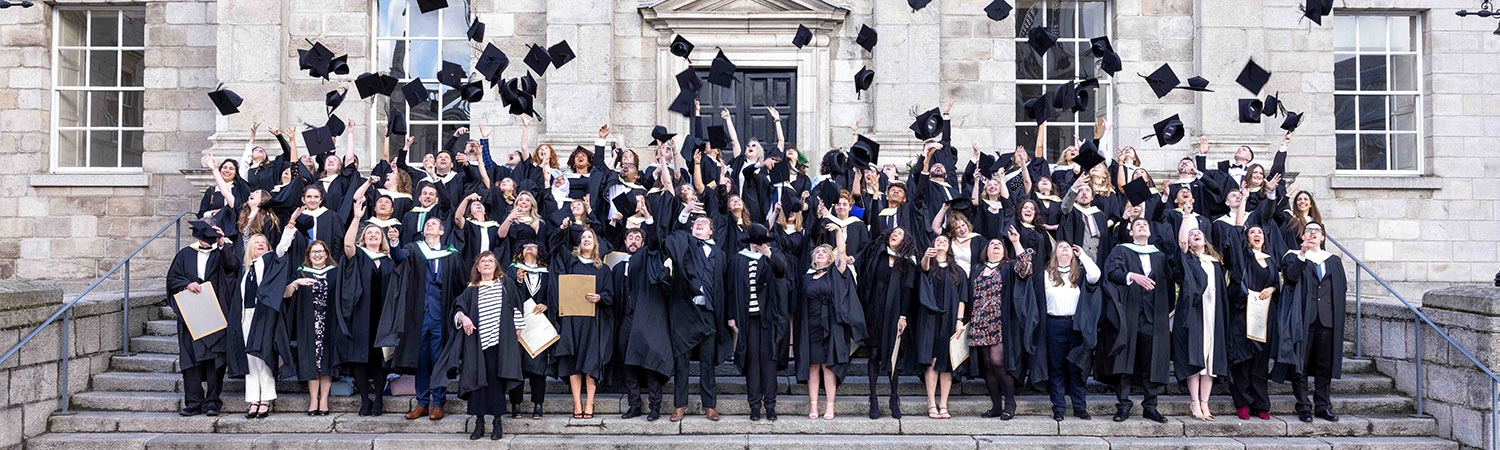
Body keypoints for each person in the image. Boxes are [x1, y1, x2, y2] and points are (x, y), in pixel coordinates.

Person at [434, 252, 526, 441]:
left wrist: (517, 328)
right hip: (476, 343)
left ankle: (497, 422)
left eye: (490, 261)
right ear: (477, 267)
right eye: (482, 261)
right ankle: (479, 422)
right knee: (476, 383)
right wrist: (464, 317)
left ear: (496, 266)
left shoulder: (505, 284)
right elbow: (457, 310)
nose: (486, 264)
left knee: (496, 382)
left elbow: (516, 306)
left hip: (499, 343)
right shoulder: (471, 290)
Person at [1101, 217, 1179, 423]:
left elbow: (1172, 280)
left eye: (1145, 224)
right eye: (1137, 225)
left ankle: (1150, 406)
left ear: (1151, 232)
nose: (1142, 226)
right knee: (1125, 359)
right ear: (1131, 232)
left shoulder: (1160, 255)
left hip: (1154, 315)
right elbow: (1112, 272)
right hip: (1129, 312)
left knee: (1151, 361)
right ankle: (1124, 405)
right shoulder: (1121, 250)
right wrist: (1132, 276)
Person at [390, 218, 464, 421]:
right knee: (420, 360)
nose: (429, 226)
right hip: (419, 316)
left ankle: (439, 403)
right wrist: (394, 242)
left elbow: (460, 285)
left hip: (441, 316)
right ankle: (422, 403)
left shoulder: (452, 254)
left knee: (439, 360)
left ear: (442, 231)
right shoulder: (414, 249)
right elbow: (398, 257)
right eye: (426, 224)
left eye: (433, 224)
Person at [165, 219, 240, 417]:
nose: (207, 243)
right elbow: (172, 279)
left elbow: (232, 267)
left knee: (216, 359)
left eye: (211, 239)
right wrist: (187, 283)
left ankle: (213, 402)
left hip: (216, 312)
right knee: (191, 360)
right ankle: (193, 402)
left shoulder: (221, 252)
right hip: (192, 315)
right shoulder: (184, 255)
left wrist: (223, 243)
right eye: (204, 238)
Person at [1275, 222, 1346, 423]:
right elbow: (1290, 278)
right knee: (1301, 363)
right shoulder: (1293, 256)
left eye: (1317, 231)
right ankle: (1304, 406)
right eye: (1308, 230)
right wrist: (1303, 254)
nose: (1313, 233)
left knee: (1325, 364)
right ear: (1302, 236)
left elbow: (1341, 288)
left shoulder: (1333, 261)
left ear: (1323, 237)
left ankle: (1323, 405)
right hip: (1303, 318)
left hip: (1327, 319)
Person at [663, 215, 731, 422]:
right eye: (696, 223)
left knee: (707, 361)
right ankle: (680, 404)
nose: (699, 225)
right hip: (684, 311)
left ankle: (709, 405)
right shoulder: (682, 245)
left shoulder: (719, 254)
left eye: (704, 223)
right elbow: (671, 240)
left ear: (712, 231)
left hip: (708, 312)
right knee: (681, 361)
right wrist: (684, 218)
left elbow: (723, 287)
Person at [967, 230, 1034, 420]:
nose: (995, 245)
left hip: (999, 321)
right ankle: (996, 406)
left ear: (1004, 250)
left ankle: (1010, 403)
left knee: (998, 362)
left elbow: (1026, 268)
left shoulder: (1009, 266)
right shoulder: (977, 269)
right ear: (985, 250)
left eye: (999, 244)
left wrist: (1016, 242)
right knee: (987, 365)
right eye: (991, 244)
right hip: (979, 322)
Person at [795, 237, 864, 420]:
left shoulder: (835, 273)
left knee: (828, 367)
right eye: (817, 251)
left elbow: (841, 251)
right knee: (812, 366)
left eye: (824, 252)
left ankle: (830, 406)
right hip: (811, 325)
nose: (820, 253)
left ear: (829, 258)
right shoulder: (806, 278)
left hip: (831, 326)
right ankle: (814, 406)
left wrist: (839, 231)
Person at [855, 227, 920, 420]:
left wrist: (903, 316)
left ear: (905, 240)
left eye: (900, 233)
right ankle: (873, 398)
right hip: (875, 309)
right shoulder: (879, 254)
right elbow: (866, 278)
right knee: (874, 353)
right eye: (894, 232)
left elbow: (908, 290)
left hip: (895, 311)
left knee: (893, 355)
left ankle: (894, 397)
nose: (895, 234)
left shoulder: (908, 262)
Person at [551, 227, 616, 419]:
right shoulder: (570, 263)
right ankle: (577, 403)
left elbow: (610, 296)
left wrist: (599, 297)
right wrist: (563, 228)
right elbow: (555, 246)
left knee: (590, 361)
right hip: (571, 320)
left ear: (596, 243)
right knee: (573, 362)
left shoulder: (602, 269)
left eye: (590, 237)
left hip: (592, 321)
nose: (586, 239)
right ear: (578, 243)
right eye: (583, 237)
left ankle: (590, 402)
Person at [728, 224, 790, 421]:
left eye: (761, 241)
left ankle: (770, 405)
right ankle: (754, 406)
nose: (758, 245)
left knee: (769, 362)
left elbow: (783, 270)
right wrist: (731, 316)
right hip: (747, 321)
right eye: (756, 241)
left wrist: (768, 253)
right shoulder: (738, 259)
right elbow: (731, 290)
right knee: (752, 363)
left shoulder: (772, 256)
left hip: (769, 320)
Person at [613, 226, 673, 421]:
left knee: (650, 360)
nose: (633, 241)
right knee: (629, 364)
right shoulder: (619, 267)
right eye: (629, 237)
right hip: (626, 319)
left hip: (647, 318)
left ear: (644, 243)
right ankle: (634, 405)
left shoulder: (652, 261)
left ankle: (655, 406)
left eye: (637, 238)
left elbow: (656, 242)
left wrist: (649, 220)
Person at [1173, 227, 1231, 421]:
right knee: (1196, 357)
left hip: (1214, 312)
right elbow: (1180, 249)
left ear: (1205, 239)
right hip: (1196, 311)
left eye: (1198, 232)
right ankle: (1194, 402)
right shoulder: (1188, 260)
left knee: (1210, 361)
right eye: (1191, 234)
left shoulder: (1215, 262)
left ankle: (1205, 403)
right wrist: (1186, 219)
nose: (1195, 235)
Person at [283, 228, 341, 416]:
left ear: (326, 255)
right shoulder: (300, 273)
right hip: (308, 323)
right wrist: (295, 284)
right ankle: (312, 399)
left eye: (320, 252)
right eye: (313, 252)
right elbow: (285, 295)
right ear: (308, 255)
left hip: (328, 321)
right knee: (311, 362)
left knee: (326, 361)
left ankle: (323, 400)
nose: (317, 255)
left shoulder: (334, 272)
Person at [1042, 240, 1102, 421]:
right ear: (1055, 253)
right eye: (1061, 246)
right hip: (1055, 324)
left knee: (1076, 368)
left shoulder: (1080, 274)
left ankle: (1080, 407)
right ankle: (1059, 407)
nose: (1065, 249)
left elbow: (1096, 276)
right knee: (1057, 368)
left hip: (1076, 325)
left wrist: (1083, 255)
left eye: (1068, 247)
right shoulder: (1046, 275)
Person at [342, 213, 395, 416]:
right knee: (360, 358)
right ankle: (365, 399)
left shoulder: (389, 261)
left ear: (382, 239)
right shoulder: (359, 255)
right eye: (369, 232)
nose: (373, 235)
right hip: (360, 315)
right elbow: (347, 245)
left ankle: (379, 399)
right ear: (363, 238)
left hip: (383, 316)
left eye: (377, 233)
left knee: (380, 358)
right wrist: (356, 218)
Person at [236, 233, 293, 419]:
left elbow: (282, 248)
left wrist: (291, 225)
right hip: (247, 316)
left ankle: (266, 399)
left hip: (264, 316)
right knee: (250, 359)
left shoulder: (269, 263)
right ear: (250, 248)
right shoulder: (246, 269)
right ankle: (253, 399)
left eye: (263, 242)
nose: (260, 245)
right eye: (256, 243)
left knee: (263, 357)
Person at [917, 235, 969, 420]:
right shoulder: (928, 265)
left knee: (947, 362)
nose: (941, 243)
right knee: (931, 360)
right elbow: (922, 270)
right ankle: (931, 402)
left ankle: (943, 403)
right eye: (938, 241)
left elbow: (963, 297)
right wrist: (926, 256)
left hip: (950, 318)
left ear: (949, 247)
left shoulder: (958, 270)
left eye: (944, 242)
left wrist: (959, 320)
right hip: (929, 318)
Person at [509, 243, 557, 419]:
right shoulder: (513, 271)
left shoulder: (547, 272)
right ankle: (516, 405)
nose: (529, 248)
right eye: (525, 246)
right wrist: (518, 280)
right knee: (517, 366)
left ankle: (538, 404)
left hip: (538, 325)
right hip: (518, 326)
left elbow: (553, 294)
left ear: (540, 252)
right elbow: (508, 292)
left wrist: (546, 305)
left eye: (533, 246)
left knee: (538, 366)